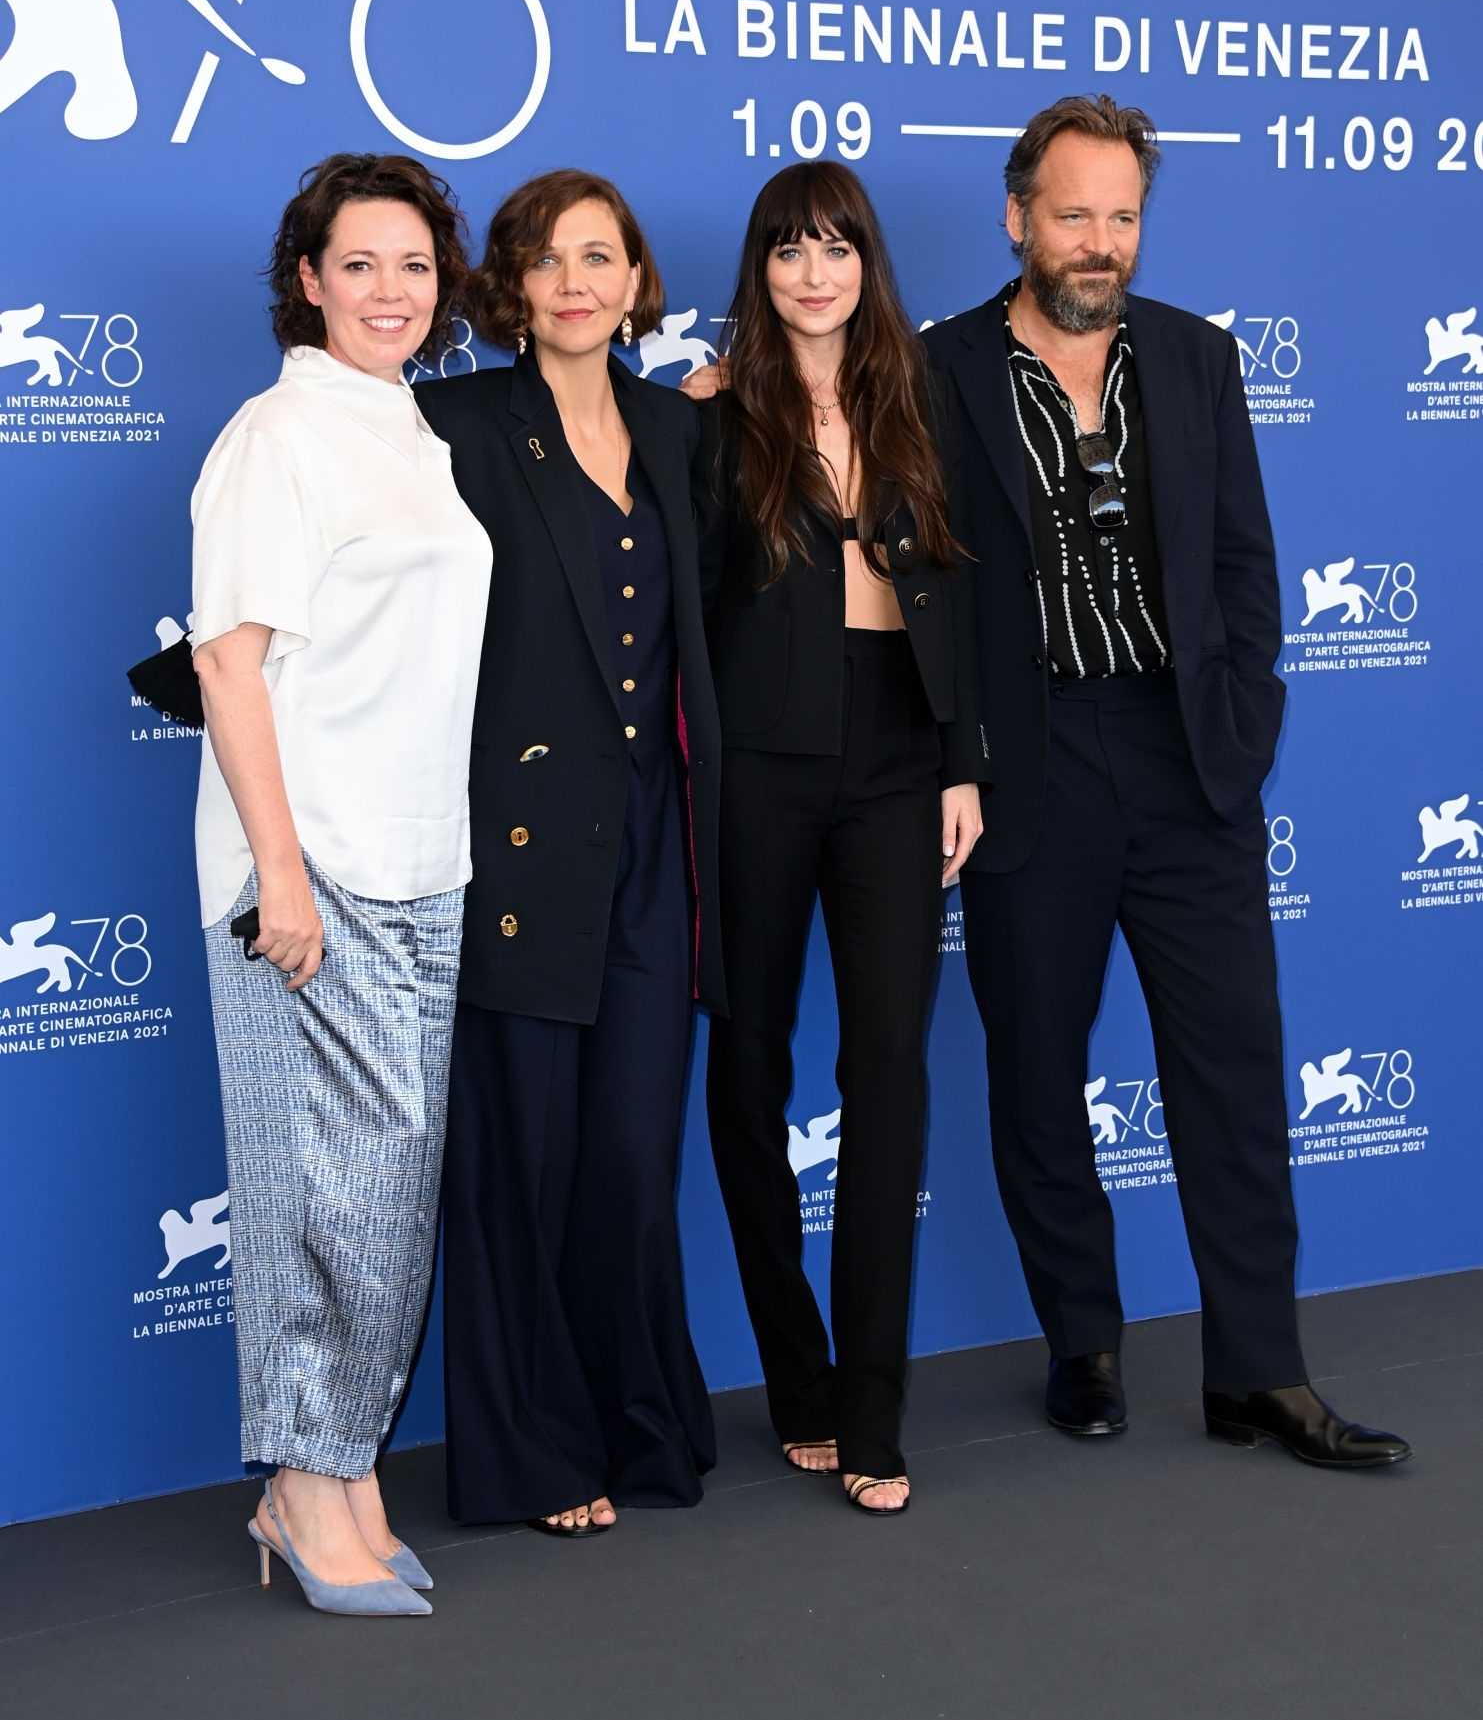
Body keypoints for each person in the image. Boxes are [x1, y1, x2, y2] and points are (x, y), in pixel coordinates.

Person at [922, 95, 1409, 1469]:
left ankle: (1259, 1370)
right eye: (1072, 214)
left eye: (1121, 216)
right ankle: (1082, 1343)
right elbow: (915, 579)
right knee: (1036, 1074)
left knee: (1238, 1076)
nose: (1099, 242)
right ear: (1019, 218)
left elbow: (1246, 560)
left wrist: (1242, 728)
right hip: (1035, 772)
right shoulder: (940, 368)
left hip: (1189, 763)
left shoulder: (1196, 359)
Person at [191, 152, 493, 1616]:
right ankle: (308, 1494)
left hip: (422, 861)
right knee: (324, 1196)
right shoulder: (277, 436)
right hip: (314, 876)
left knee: (384, 1197)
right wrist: (282, 877)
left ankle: (339, 1475)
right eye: (360, 264)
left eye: (416, 266)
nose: (391, 291)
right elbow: (228, 663)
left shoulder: (410, 430)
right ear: (306, 279)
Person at [419, 170, 725, 1538]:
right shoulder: (456, 421)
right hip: (515, 847)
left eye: (599, 257)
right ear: (510, 286)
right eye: (546, 259)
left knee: (629, 1158)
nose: (574, 281)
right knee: (521, 1163)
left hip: (656, 847)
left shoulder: (682, 430)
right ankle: (534, 1455)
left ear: (637, 278)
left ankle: (639, 1424)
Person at [686, 162, 986, 1517]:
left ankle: (872, 1409)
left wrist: (960, 764)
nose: (816, 271)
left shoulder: (917, 399)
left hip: (897, 763)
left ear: (869, 263)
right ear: (759, 267)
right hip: (756, 766)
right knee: (748, 1075)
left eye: (838, 246)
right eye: (789, 248)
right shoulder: (709, 413)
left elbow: (965, 598)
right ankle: (793, 1373)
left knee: (892, 1079)